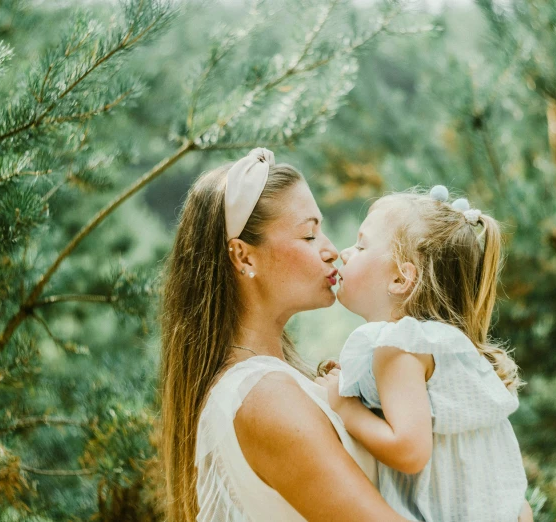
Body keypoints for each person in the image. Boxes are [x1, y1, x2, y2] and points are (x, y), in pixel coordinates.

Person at [159, 148, 408, 521]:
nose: (331, 251)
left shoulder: (270, 385)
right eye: (309, 235)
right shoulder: (264, 395)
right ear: (244, 257)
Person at [316, 185, 530, 521]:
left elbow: (410, 451)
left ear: (401, 278)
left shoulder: (400, 347)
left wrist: (346, 407)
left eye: (361, 245)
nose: (345, 253)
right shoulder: (447, 346)